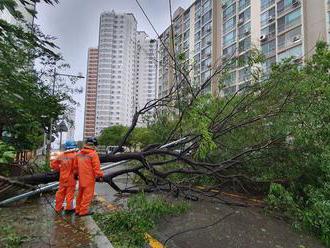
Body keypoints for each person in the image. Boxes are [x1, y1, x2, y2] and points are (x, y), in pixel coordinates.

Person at [74, 137, 104, 216]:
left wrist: (76, 174)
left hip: (81, 179)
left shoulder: (79, 153)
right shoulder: (93, 154)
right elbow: (96, 167)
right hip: (89, 179)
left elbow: (75, 166)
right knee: (87, 195)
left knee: (80, 195)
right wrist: (100, 176)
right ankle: (83, 211)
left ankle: (77, 210)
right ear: (93, 145)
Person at [50, 140, 79, 213]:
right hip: (71, 178)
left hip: (62, 177)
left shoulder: (61, 155)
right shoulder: (75, 155)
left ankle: (58, 207)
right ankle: (69, 208)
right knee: (70, 194)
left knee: (60, 193)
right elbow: (77, 167)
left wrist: (59, 169)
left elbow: (53, 164)